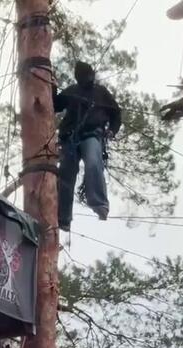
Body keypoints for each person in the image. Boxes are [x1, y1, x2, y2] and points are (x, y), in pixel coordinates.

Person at [53, 61, 121, 231]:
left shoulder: (101, 92)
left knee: (92, 162)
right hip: (70, 138)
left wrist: (112, 130)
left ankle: (99, 203)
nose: (87, 78)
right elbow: (55, 105)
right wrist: (52, 87)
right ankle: (63, 218)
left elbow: (116, 113)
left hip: (92, 135)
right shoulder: (72, 91)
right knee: (66, 175)